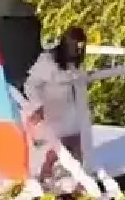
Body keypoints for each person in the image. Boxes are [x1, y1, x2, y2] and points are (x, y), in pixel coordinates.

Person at [22, 26, 92, 189]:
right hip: (54, 110)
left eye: (80, 47)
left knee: (77, 148)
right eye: (74, 46)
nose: (77, 50)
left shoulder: (75, 63)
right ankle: (44, 178)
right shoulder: (48, 60)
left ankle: (80, 185)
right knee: (57, 149)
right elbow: (30, 85)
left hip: (74, 113)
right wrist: (37, 106)